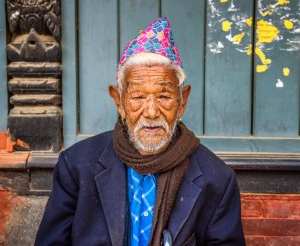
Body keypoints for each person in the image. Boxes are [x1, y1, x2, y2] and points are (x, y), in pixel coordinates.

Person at [35, 17, 245, 246]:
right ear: (119, 101)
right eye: (137, 97)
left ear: (182, 102)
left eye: (164, 96)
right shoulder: (76, 165)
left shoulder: (217, 179)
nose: (152, 112)